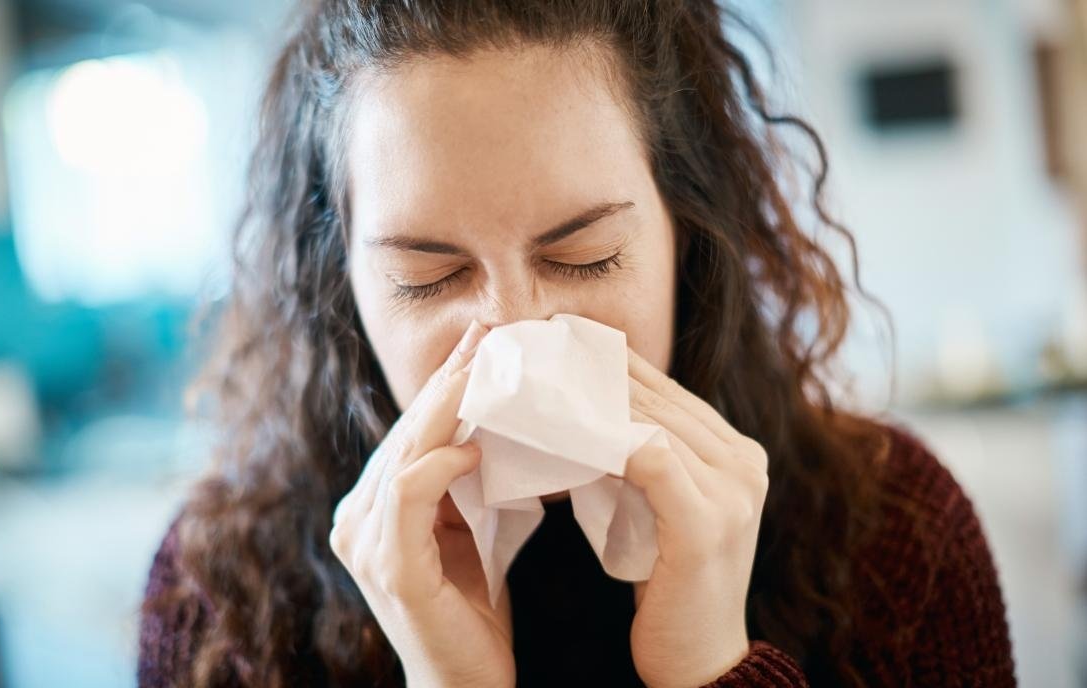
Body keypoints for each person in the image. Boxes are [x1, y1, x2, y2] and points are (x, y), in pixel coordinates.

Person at [137, 1, 1017, 686]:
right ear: (341, 291)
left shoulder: (896, 532)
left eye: (583, 257)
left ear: (689, 237)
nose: (515, 335)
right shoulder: (218, 596)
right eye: (428, 277)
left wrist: (715, 670)